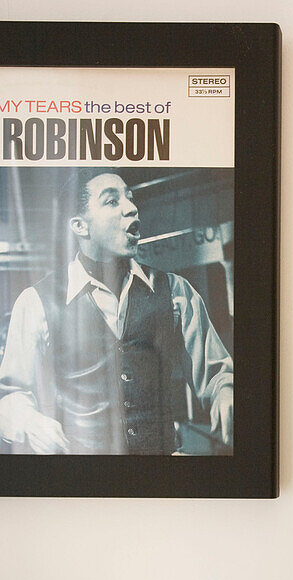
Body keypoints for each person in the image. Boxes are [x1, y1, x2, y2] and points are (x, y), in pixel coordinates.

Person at [0, 170, 233, 455]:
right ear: (80, 226)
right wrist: (31, 423)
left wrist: (225, 392)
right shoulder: (36, 302)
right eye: (112, 202)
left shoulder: (176, 292)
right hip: (83, 480)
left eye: (130, 198)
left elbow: (217, 374)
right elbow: (10, 394)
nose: (131, 208)